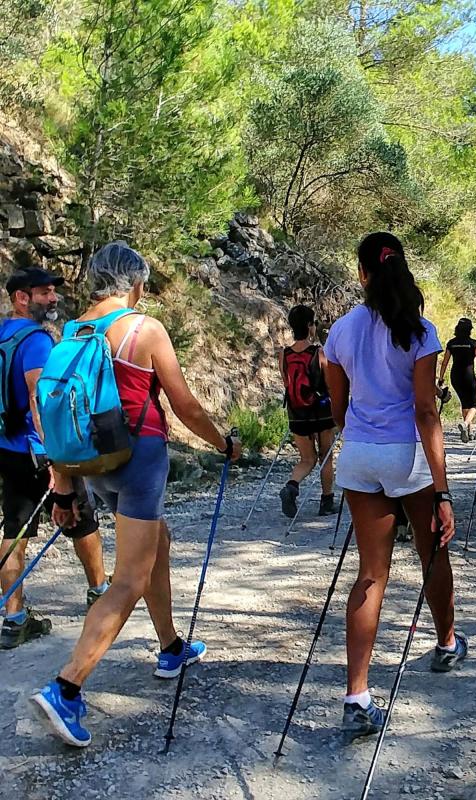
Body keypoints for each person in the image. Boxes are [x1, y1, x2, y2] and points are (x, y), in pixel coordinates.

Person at [31, 242, 241, 748]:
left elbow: (54, 420)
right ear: (134, 283)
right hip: (139, 460)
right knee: (128, 577)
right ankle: (67, 686)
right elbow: (185, 404)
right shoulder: (144, 329)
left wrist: (63, 491)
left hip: (94, 466)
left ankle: (170, 646)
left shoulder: (69, 336)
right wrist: (224, 444)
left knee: (156, 542)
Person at [324, 231, 466, 738]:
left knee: (371, 575)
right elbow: (427, 411)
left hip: (360, 455)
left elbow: (337, 408)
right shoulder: (420, 330)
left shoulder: (339, 331)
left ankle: (357, 695)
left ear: (362, 273)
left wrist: (358, 435)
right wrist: (443, 489)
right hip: (407, 455)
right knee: (432, 555)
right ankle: (447, 642)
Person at [0, 268, 108, 650]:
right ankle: (100, 592)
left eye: (52, 292)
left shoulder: (2, 333)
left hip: (8, 449)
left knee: (14, 530)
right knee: (79, 518)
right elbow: (40, 400)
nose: (53, 299)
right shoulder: (35, 341)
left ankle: (14, 619)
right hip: (40, 451)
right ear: (21, 298)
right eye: (44, 293)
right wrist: (56, 459)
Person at [278, 304, 337, 518]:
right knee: (326, 457)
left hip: (296, 414)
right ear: (310, 326)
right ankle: (327, 501)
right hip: (321, 413)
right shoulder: (319, 353)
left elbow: (287, 384)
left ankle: (291, 486)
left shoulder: (283, 355)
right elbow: (330, 385)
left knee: (307, 459)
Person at [439, 317, 476, 443]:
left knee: (464, 402)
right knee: (473, 404)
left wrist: (441, 378)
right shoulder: (474, 344)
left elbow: (444, 363)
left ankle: (469, 430)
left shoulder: (451, 343)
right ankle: (465, 423)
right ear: (470, 330)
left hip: (455, 376)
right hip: (469, 375)